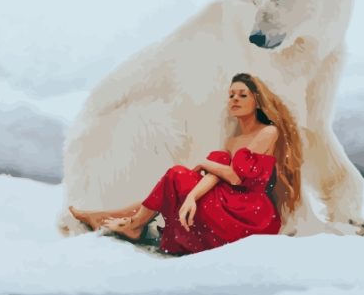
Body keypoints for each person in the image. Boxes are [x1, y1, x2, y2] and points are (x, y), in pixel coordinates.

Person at [69, 73, 303, 255]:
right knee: (179, 182)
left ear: (257, 100)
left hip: (249, 213)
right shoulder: (233, 140)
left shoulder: (268, 132)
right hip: (227, 201)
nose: (235, 99)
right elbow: (217, 176)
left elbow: (235, 177)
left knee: (176, 175)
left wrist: (203, 165)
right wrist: (192, 196)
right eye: (231, 95)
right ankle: (112, 217)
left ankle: (134, 223)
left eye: (243, 95)